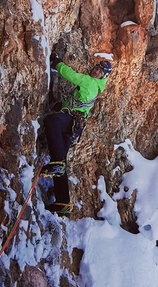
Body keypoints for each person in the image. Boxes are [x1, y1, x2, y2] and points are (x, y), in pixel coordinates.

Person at [41, 52, 112, 216]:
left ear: (103, 76)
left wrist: (57, 62)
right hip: (74, 126)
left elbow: (71, 75)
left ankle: (58, 164)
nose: (96, 72)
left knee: (51, 121)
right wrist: (63, 105)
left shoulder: (90, 82)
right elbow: (78, 102)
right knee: (60, 161)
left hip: (71, 121)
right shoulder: (95, 87)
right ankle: (63, 202)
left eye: (100, 72)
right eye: (96, 69)